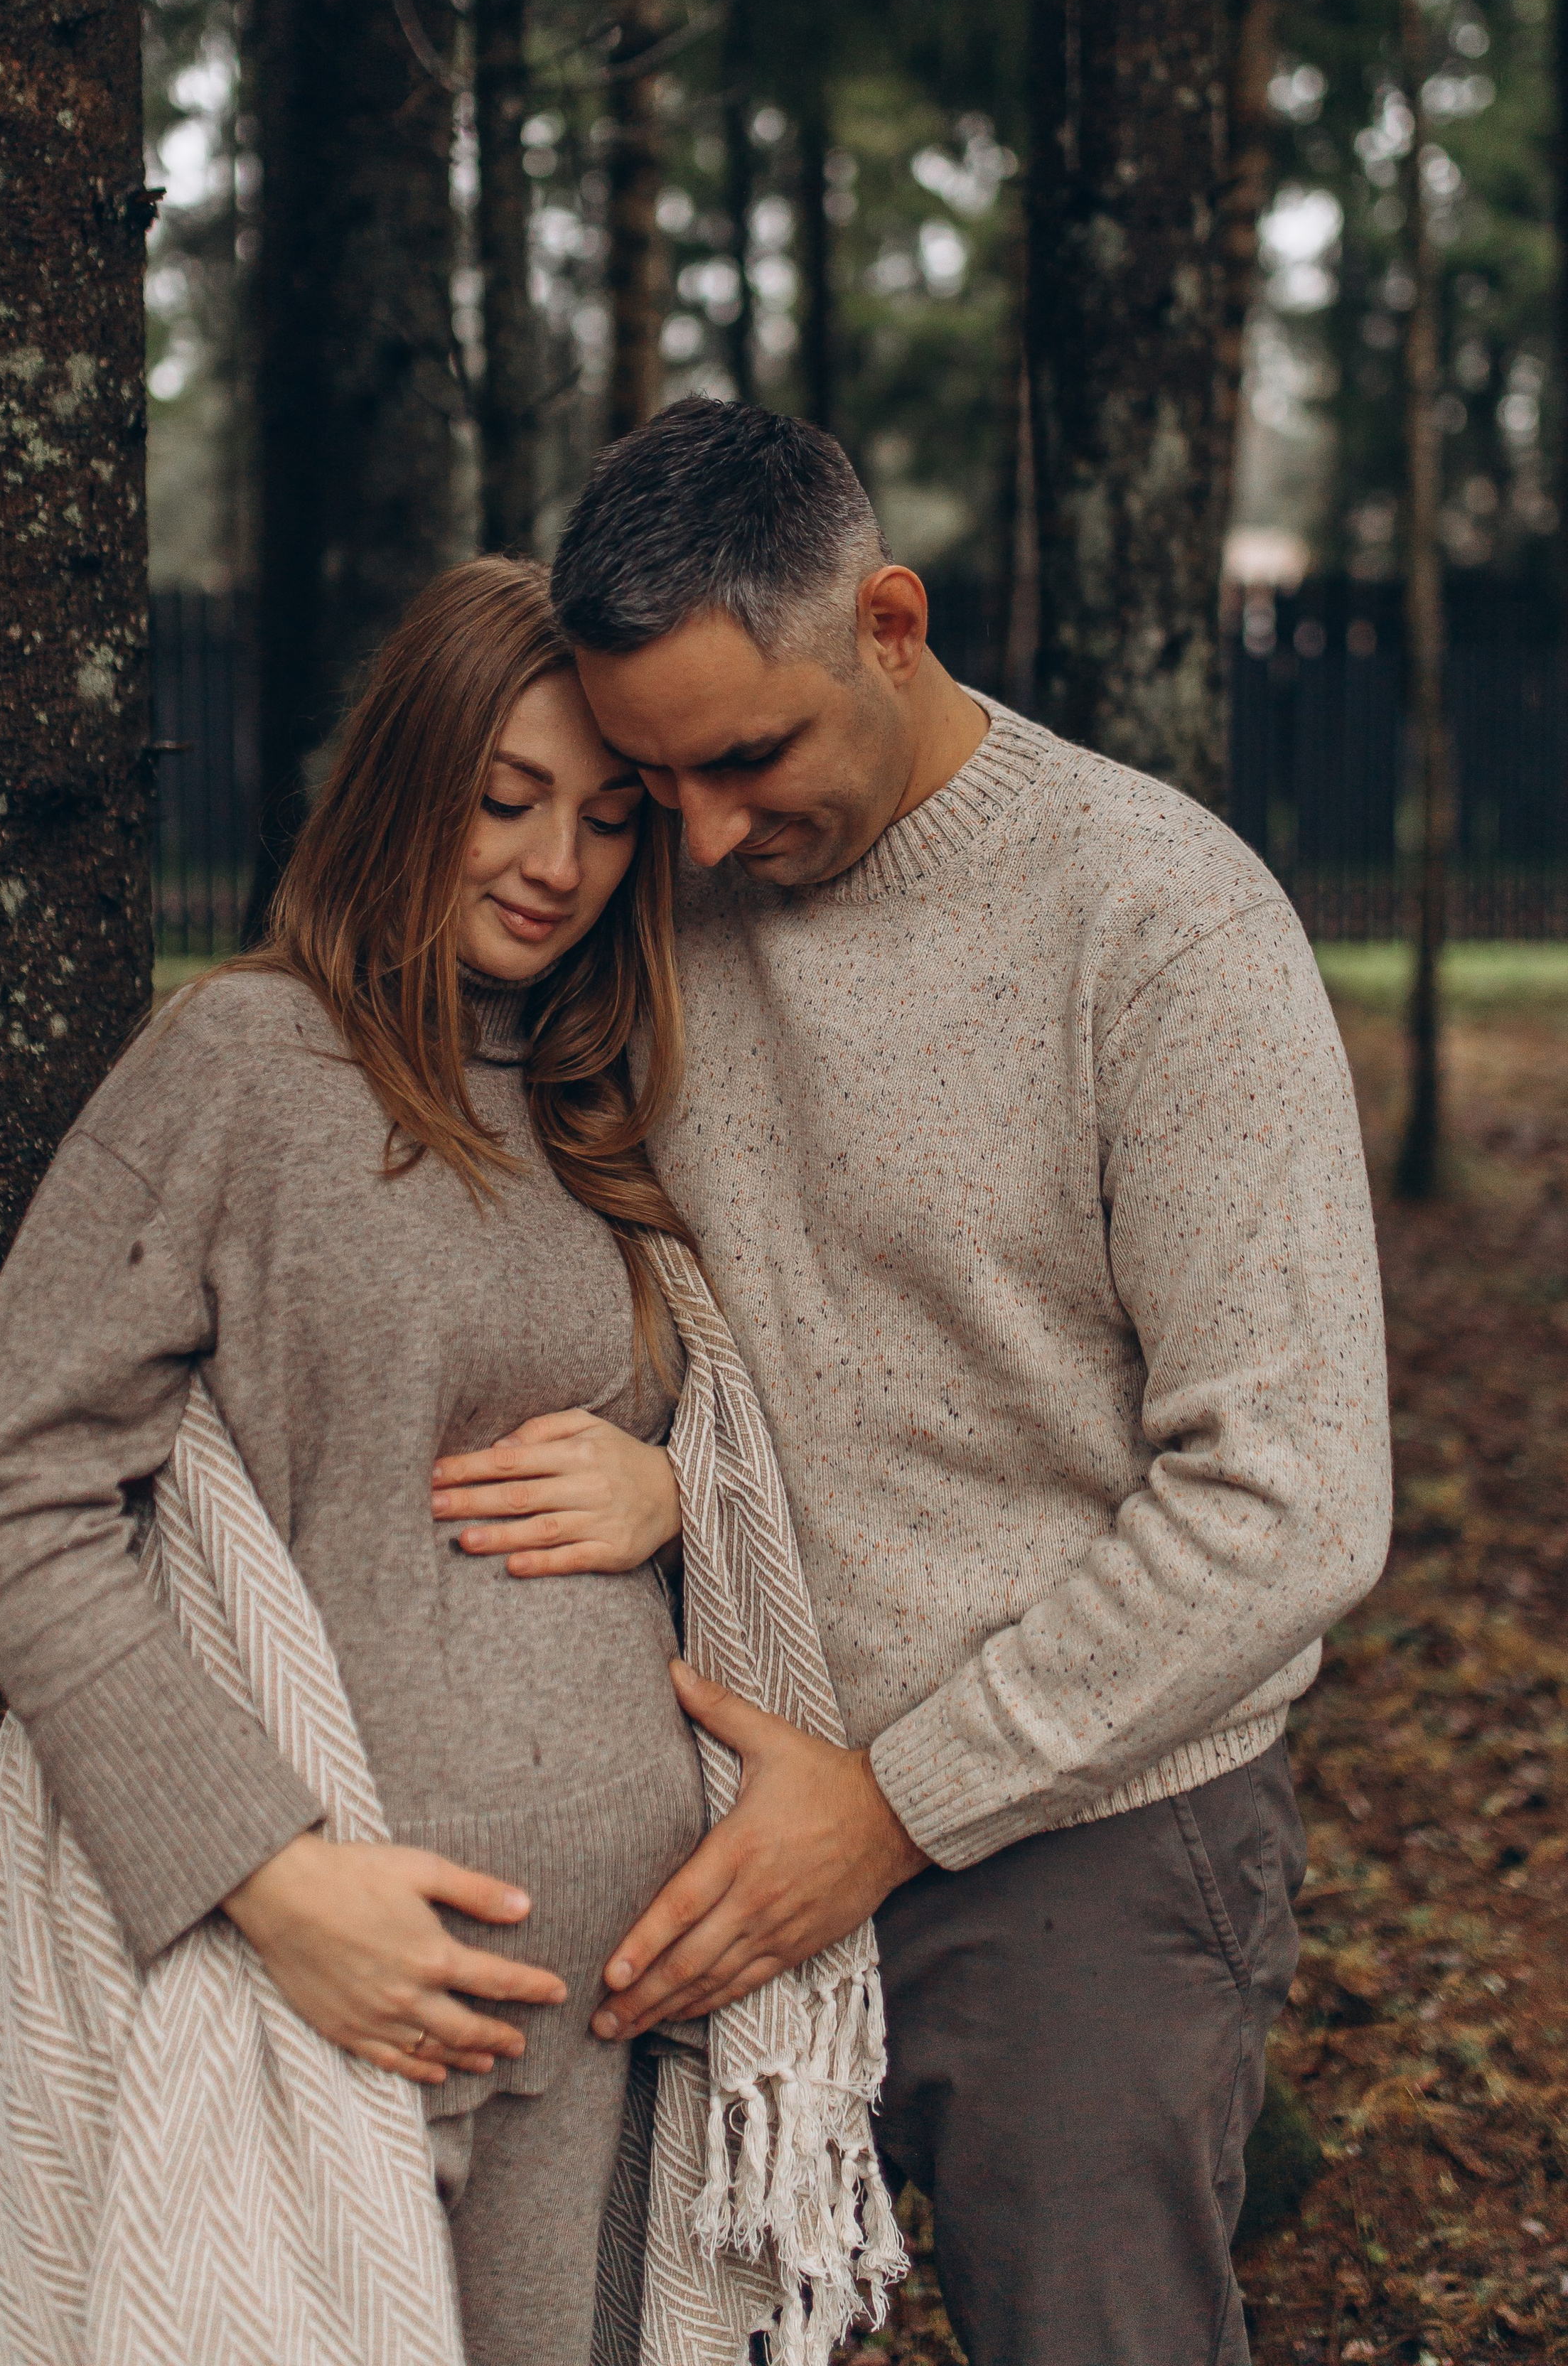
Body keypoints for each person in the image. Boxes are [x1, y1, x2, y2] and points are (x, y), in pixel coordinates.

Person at [441, 399, 1392, 2366]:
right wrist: (660, 1467)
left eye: (743, 758)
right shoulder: (648, 884)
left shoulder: (1160, 922)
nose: (691, 835)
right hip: (704, 1796)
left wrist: (891, 1807)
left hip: (1093, 1824)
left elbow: (1287, 1498)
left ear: (890, 618)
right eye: (651, 776)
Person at [0, 558, 717, 2366]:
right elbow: (8, 1491)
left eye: (601, 819)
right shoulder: (245, 1064)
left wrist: (675, 1491)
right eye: (502, 800)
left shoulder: (615, 1094)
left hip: (621, 2012)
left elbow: (757, 1432)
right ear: (404, 782)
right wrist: (265, 1876)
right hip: (352, 1977)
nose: (552, 863)